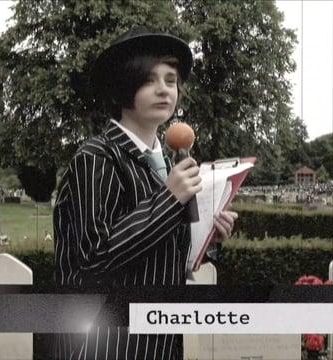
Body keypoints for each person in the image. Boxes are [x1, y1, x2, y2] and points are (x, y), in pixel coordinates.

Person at [52, 27, 238, 359]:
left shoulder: (168, 164)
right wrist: (169, 200)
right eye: (150, 79)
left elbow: (161, 253)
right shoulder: (97, 157)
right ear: (124, 86)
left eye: (171, 80)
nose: (164, 89)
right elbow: (93, 259)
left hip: (161, 341)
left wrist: (209, 239)